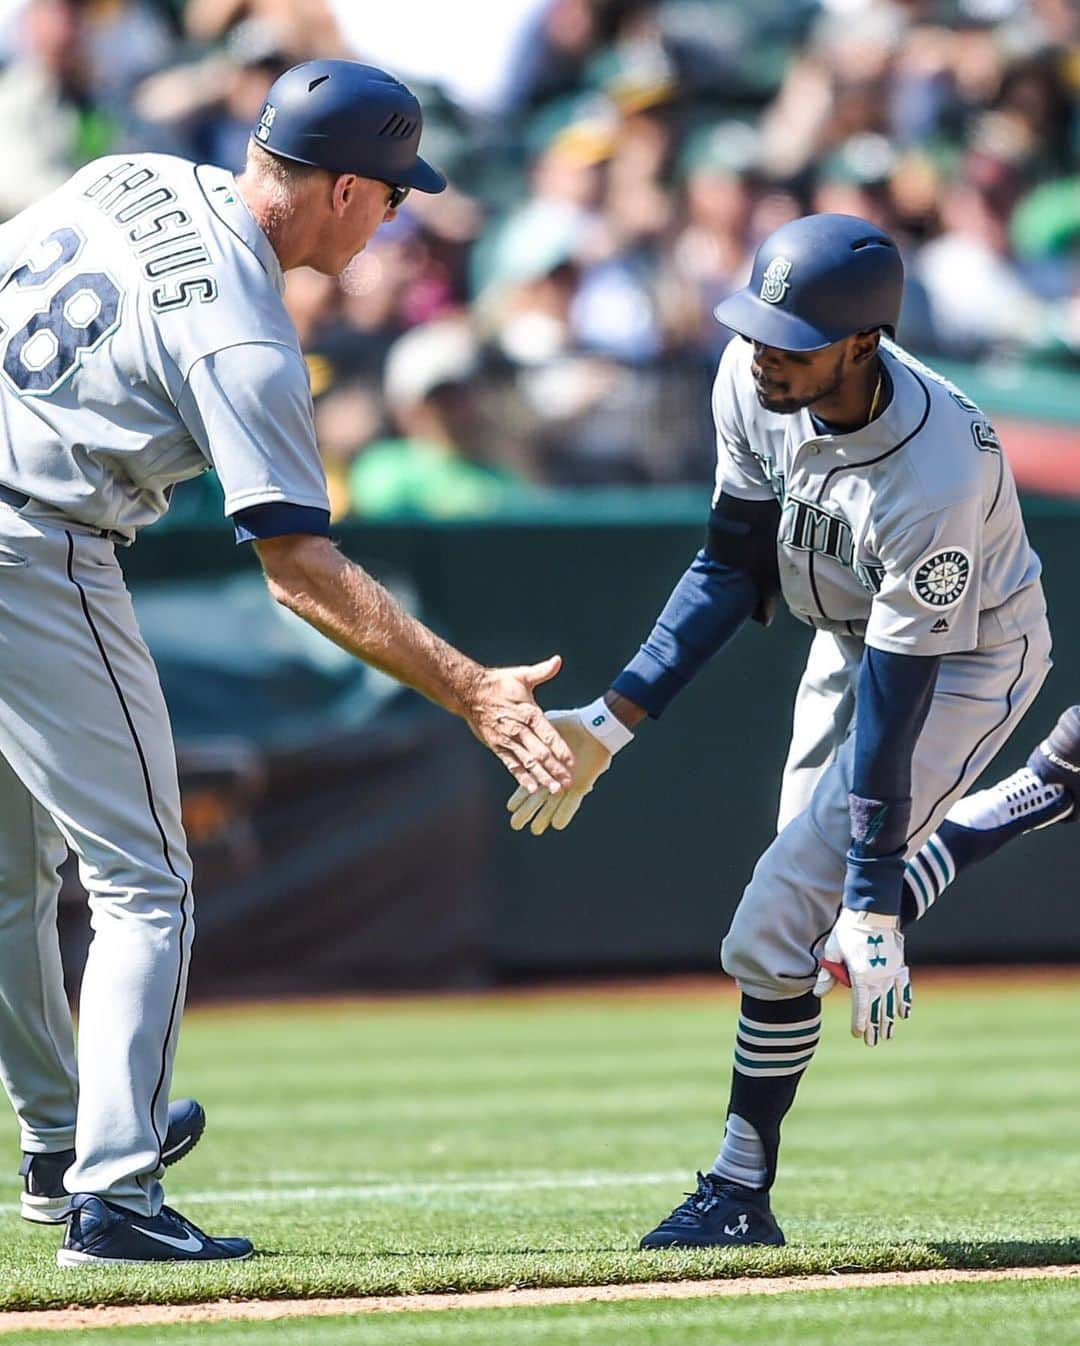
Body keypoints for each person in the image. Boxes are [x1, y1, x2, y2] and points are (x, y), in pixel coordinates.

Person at [0, 58, 574, 1268]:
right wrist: (471, 686)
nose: (398, 215)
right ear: (347, 191)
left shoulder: (129, 172)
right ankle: (115, 1191)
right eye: (396, 194)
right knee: (146, 877)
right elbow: (297, 567)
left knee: (12, 870)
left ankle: (63, 1142)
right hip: (34, 543)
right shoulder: (244, 325)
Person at [507, 213, 1061, 1248]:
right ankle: (1027, 800)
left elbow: (899, 699)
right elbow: (729, 564)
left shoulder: (936, 469)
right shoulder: (749, 381)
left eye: (792, 336)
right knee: (801, 934)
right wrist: (613, 722)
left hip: (963, 659)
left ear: (863, 343)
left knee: (776, 925)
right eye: (756, 324)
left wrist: (872, 899)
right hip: (846, 634)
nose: (762, 349)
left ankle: (736, 1190)